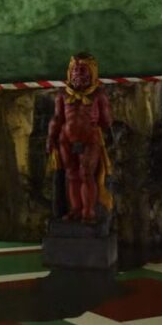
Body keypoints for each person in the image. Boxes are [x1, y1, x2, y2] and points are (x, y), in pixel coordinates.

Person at [46, 52, 113, 224]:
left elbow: (106, 121)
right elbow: (57, 118)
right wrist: (51, 137)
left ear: (92, 72)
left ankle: (88, 212)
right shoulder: (62, 94)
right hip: (65, 140)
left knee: (86, 174)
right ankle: (75, 210)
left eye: (82, 70)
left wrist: (97, 124)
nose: (77, 74)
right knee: (71, 175)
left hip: (90, 139)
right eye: (75, 70)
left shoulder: (98, 95)